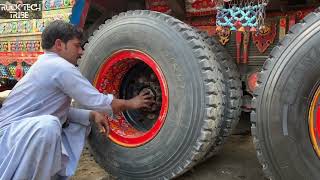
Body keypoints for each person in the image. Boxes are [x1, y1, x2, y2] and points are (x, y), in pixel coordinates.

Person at [0, 20, 154, 180]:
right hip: (9, 140)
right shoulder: (59, 66)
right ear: (59, 44)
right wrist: (133, 103)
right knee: (48, 126)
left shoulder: (46, 63)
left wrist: (91, 115)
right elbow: (102, 102)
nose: (81, 51)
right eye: (76, 45)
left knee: (64, 123)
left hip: (16, 135)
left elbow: (53, 109)